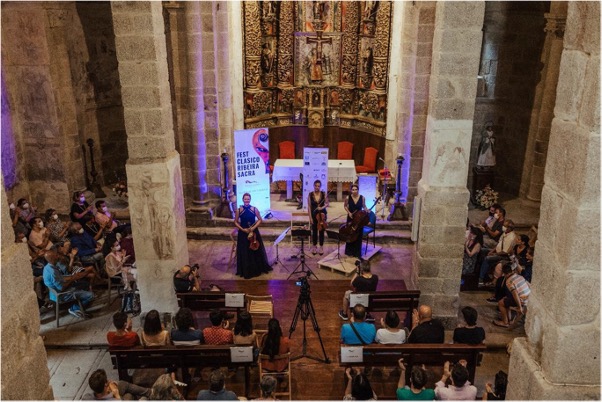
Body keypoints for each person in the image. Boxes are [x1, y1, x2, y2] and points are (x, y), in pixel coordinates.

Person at [42, 250, 94, 319]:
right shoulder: (53, 272)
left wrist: (71, 277)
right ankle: (75, 309)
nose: (57, 256)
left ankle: (78, 306)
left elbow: (60, 278)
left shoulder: (47, 267)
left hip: (53, 294)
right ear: (52, 259)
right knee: (91, 295)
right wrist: (73, 278)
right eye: (56, 256)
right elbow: (62, 288)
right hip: (62, 295)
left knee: (83, 284)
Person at [234, 193, 271, 279]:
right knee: (245, 251)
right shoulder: (239, 210)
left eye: (248, 199)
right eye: (245, 199)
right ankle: (246, 270)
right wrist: (242, 229)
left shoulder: (254, 209)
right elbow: (235, 221)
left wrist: (253, 228)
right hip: (243, 233)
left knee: (255, 250)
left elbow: (260, 220)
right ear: (243, 200)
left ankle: (255, 269)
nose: (247, 200)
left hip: (253, 233)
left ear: (250, 200)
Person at [479, 219, 518, 285]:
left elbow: (505, 252)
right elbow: (499, 244)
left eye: (504, 226)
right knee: (482, 250)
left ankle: (481, 278)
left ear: (509, 228)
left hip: (503, 256)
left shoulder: (511, 237)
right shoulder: (505, 233)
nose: (503, 227)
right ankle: (484, 272)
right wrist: (491, 251)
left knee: (487, 258)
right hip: (497, 251)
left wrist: (494, 254)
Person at [493, 263, 531, 328]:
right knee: (506, 299)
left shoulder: (508, 281)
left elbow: (515, 294)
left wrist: (519, 307)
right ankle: (509, 320)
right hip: (528, 298)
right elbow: (529, 285)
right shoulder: (519, 276)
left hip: (522, 300)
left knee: (500, 303)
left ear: (503, 273)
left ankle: (505, 322)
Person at [344, 184, 367, 258]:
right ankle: (349, 252)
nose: (354, 191)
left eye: (355, 189)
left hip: (359, 219)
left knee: (358, 234)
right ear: (351, 190)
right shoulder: (348, 197)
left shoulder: (362, 197)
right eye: (353, 190)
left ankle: (357, 253)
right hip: (350, 218)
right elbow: (345, 206)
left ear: (358, 190)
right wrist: (349, 213)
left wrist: (367, 210)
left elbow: (364, 206)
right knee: (350, 234)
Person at [307, 180, 329, 255]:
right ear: (313, 186)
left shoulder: (323, 193)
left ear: (320, 186)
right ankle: (314, 246)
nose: (317, 187)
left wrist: (322, 207)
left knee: (321, 231)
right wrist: (310, 218)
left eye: (318, 186)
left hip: (322, 215)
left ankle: (321, 246)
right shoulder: (310, 195)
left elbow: (327, 204)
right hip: (314, 215)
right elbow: (309, 207)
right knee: (314, 231)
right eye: (316, 185)